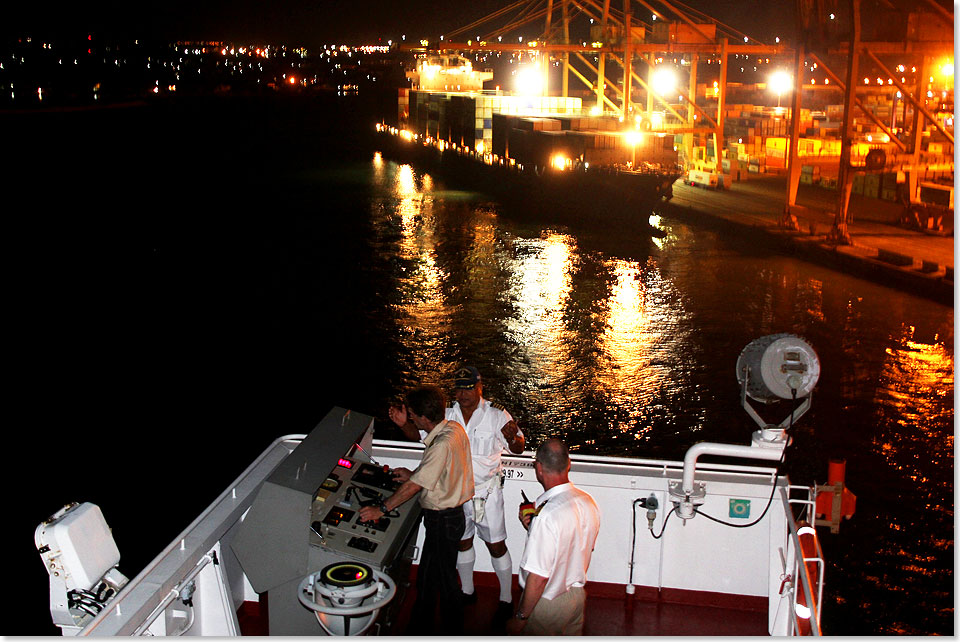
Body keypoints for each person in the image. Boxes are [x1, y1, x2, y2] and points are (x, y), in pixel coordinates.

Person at [390, 365, 525, 617]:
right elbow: (419, 434)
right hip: (456, 492)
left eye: (468, 388)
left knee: (496, 546)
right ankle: (468, 592)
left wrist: (513, 439)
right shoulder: (447, 414)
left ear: (479, 387)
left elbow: (517, 446)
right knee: (463, 542)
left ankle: (506, 598)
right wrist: (402, 424)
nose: (463, 394)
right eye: (459, 388)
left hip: (487, 494)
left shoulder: (496, 415)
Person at [359, 384, 474, 635]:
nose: (410, 417)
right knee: (429, 579)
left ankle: (448, 630)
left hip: (442, 521)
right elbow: (441, 471)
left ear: (423, 417)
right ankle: (420, 626)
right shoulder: (453, 430)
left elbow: (413, 487)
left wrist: (381, 509)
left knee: (443, 582)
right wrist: (414, 473)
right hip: (450, 518)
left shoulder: (441, 444)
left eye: (412, 414)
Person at [506, 439, 601, 636]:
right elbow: (574, 546)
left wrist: (520, 618)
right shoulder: (588, 502)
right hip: (576, 598)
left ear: (539, 468)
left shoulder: (546, 516)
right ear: (568, 464)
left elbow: (539, 578)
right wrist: (534, 529)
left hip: (547, 604)